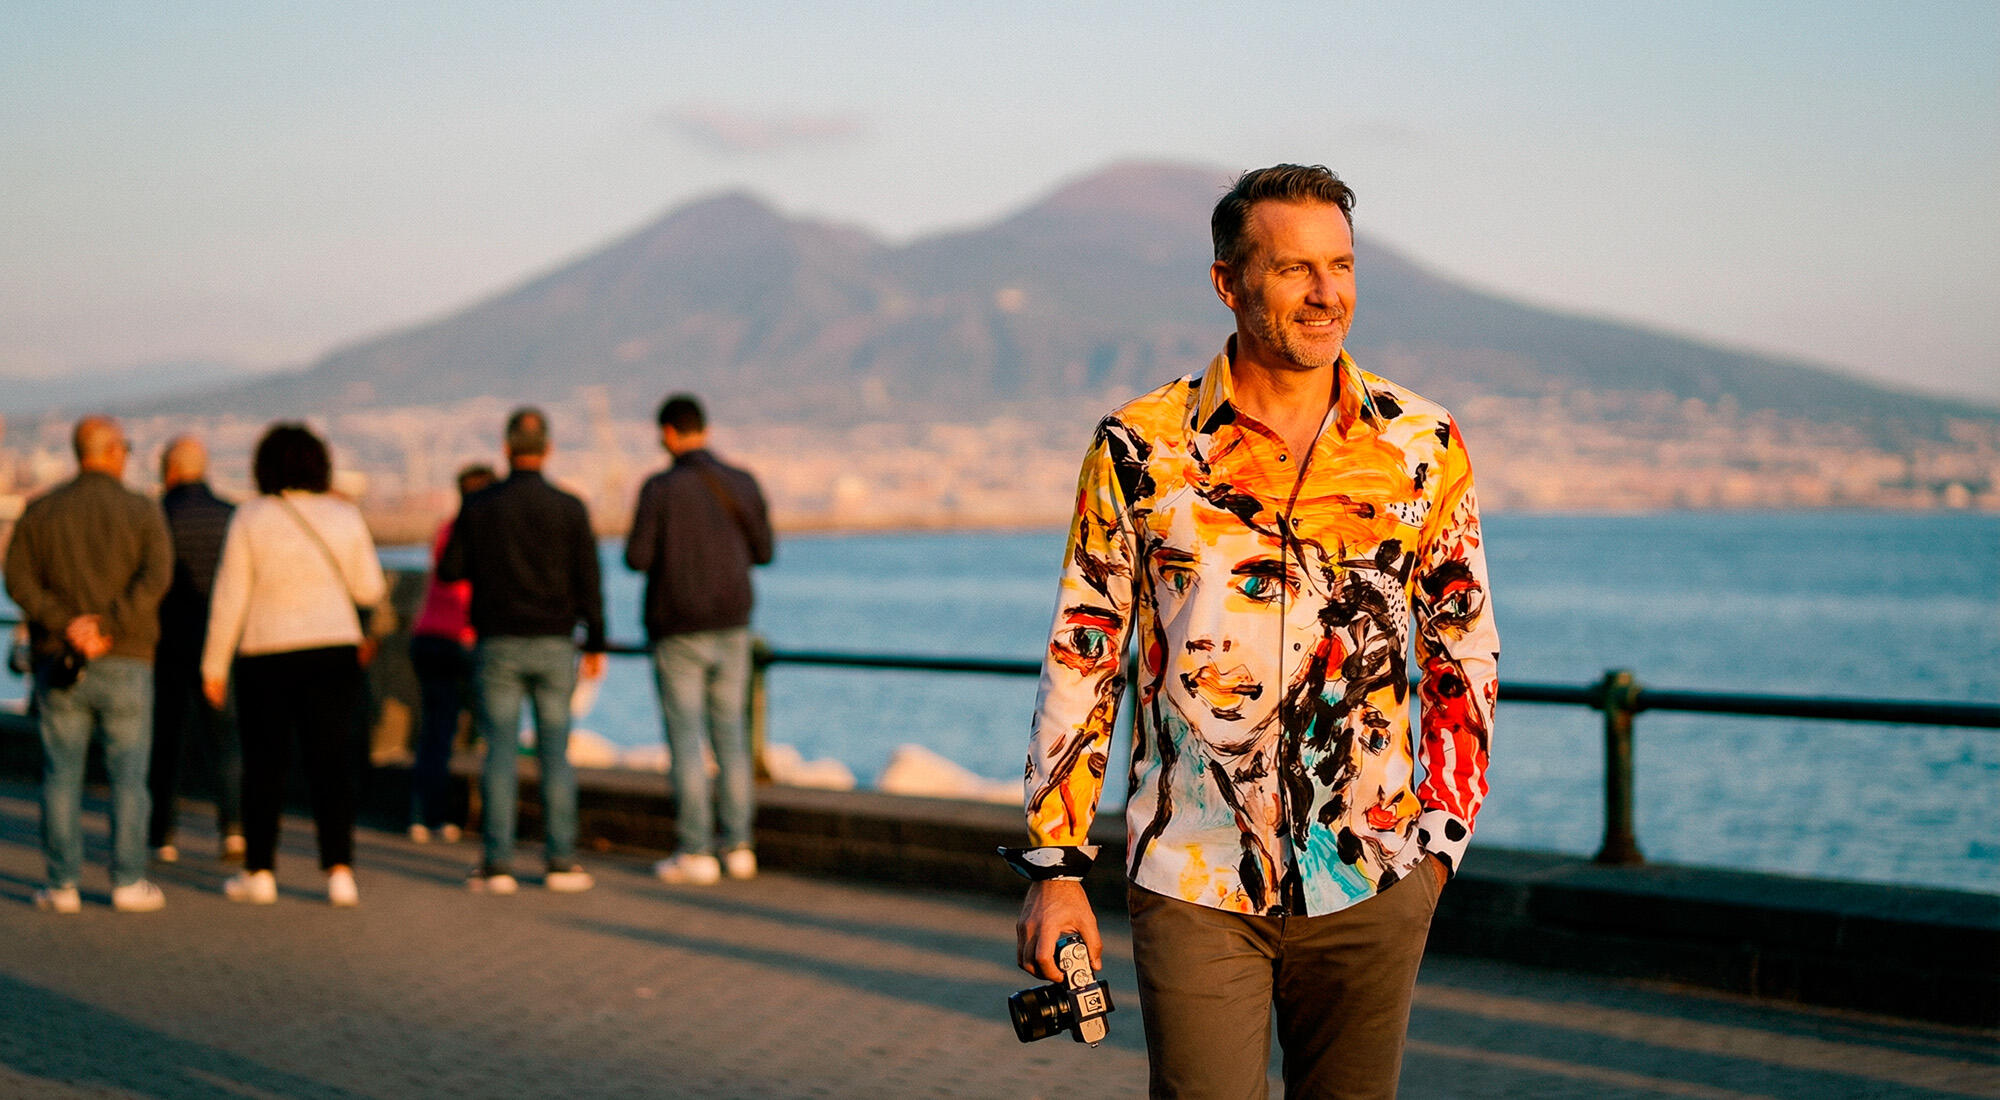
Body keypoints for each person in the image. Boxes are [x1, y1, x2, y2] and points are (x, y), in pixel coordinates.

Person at [1009, 164, 1500, 1098]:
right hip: (1194, 874)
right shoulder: (1140, 447)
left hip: (1376, 875)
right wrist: (1055, 867)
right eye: (1294, 270)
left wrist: (1440, 844)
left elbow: (1461, 647)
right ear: (1228, 283)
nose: (1327, 294)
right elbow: (1086, 652)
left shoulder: (1421, 446)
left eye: (1342, 266)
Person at [202, 423, 387, 907]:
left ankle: (260, 871)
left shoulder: (250, 517)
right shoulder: (344, 516)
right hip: (333, 649)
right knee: (331, 762)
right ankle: (339, 871)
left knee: (265, 763)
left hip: (266, 651)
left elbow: (230, 597)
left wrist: (214, 665)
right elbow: (369, 588)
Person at [4, 416, 173, 913]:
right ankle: (126, 881)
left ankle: (62, 885)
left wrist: (66, 623)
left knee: (60, 775)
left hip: (60, 661)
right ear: (114, 451)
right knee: (128, 776)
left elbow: (17, 579)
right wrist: (108, 626)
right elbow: (156, 577)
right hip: (127, 659)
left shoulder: (41, 511)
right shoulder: (141, 511)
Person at [439, 408, 605, 895]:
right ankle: (561, 861)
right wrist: (594, 640)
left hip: (498, 644)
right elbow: (589, 581)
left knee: (501, 755)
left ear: (505, 447)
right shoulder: (571, 507)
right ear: (548, 448)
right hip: (556, 643)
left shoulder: (480, 505)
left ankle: (498, 863)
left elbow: (450, 570)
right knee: (556, 755)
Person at [625, 394, 774, 885]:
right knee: (731, 736)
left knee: (686, 740)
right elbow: (765, 551)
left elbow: (637, 558)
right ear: (703, 429)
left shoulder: (659, 488)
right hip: (733, 624)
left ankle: (695, 850)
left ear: (668, 432)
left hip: (678, 629)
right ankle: (739, 846)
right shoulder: (742, 481)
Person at [148, 435, 245, 864]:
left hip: (168, 643)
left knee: (167, 740)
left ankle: (163, 833)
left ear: (169, 470)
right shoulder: (231, 516)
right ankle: (234, 829)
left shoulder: (158, 515)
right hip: (222, 644)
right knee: (225, 740)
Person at [405, 463, 496, 844]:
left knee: (434, 733)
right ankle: (484, 818)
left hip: (428, 636)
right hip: (465, 639)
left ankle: (425, 815)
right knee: (491, 731)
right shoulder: (486, 532)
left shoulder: (445, 529)